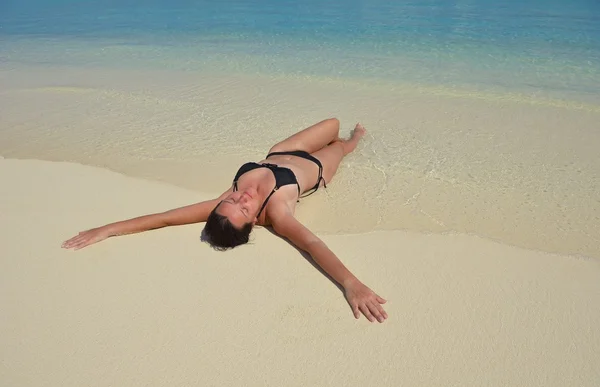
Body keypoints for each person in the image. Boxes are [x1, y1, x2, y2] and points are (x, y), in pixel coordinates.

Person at [62, 118, 388, 323]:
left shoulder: (222, 202)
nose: (241, 198)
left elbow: (163, 219)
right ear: (253, 223)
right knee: (342, 143)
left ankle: (347, 135)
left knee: (332, 122)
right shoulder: (277, 212)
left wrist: (106, 229)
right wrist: (351, 284)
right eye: (244, 209)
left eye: (232, 200)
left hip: (282, 150)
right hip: (315, 168)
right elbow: (313, 245)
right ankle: (357, 139)